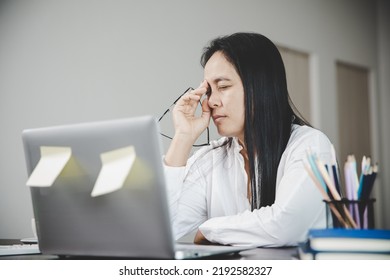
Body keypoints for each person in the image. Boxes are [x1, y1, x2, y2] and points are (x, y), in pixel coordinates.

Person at [163, 32, 333, 247]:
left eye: (223, 87)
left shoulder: (310, 145)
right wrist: (182, 137)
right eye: (208, 91)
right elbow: (162, 229)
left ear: (260, 85)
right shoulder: (211, 160)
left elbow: (285, 226)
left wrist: (209, 230)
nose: (212, 101)